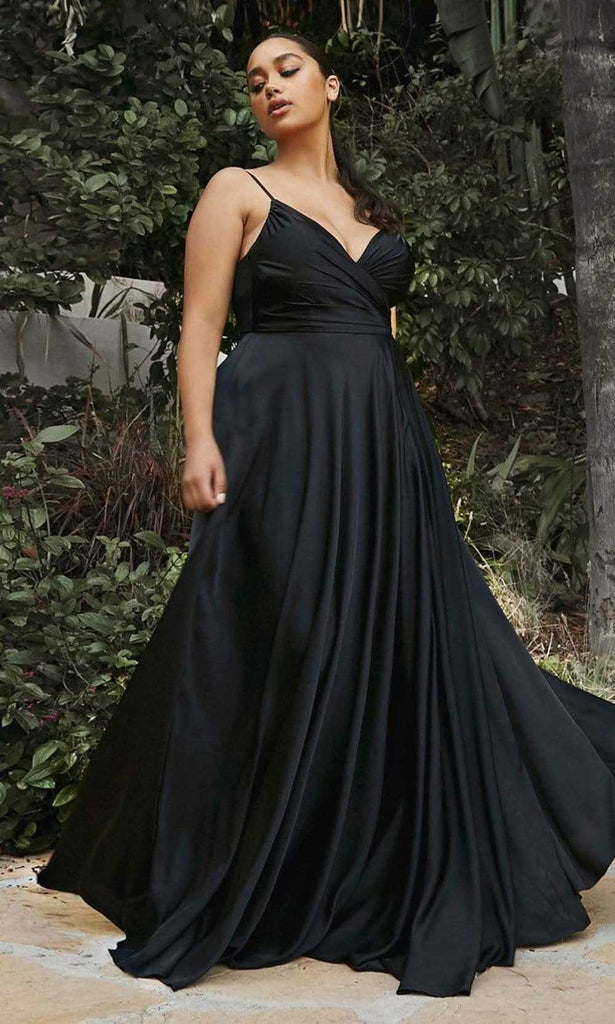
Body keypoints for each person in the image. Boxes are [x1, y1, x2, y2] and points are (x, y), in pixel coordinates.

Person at [35, 30, 615, 999]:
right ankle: (253, 857)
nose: (270, 87)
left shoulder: (370, 212)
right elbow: (200, 328)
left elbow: (377, 340)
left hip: (382, 448)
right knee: (286, 631)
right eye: (254, 80)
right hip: (277, 437)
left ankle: (368, 856)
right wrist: (198, 440)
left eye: (288, 69)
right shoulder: (236, 192)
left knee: (401, 641)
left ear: (331, 85)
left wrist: (405, 459)